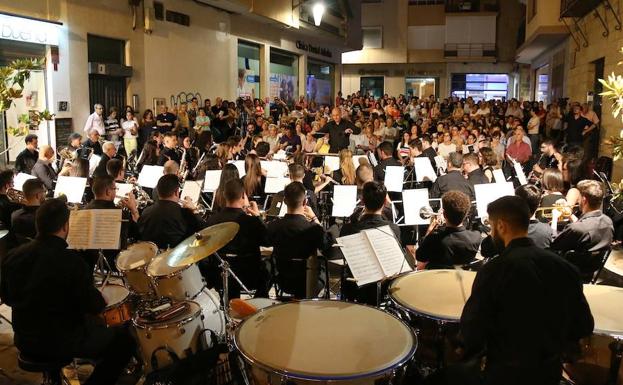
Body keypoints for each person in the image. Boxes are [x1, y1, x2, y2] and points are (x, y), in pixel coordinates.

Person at [439, 195, 594, 385]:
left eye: (492, 225)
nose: (491, 231)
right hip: (549, 374)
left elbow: (472, 331)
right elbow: (584, 325)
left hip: (503, 375)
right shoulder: (566, 268)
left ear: (502, 226)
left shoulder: (493, 271)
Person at [0, 199, 136, 385]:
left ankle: (54, 377)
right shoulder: (72, 262)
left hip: (25, 339)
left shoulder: (12, 257)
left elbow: (6, 298)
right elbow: (95, 306)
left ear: (38, 225)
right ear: (65, 226)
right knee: (124, 342)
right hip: (61, 342)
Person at [205, 179, 270, 298]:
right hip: (249, 276)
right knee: (268, 270)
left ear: (224, 195)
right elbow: (268, 241)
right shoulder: (252, 222)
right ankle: (258, 306)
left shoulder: (211, 221)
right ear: (243, 196)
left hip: (221, 276)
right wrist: (258, 217)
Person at [266, 182, 332, 298]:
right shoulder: (313, 228)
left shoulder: (274, 226)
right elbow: (326, 244)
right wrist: (314, 218)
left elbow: (266, 242)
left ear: (285, 201)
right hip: (309, 281)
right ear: (305, 202)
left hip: (284, 282)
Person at [340, 181, 401, 305]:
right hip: (384, 288)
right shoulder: (393, 228)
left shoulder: (348, 229)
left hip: (355, 288)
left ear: (362, 201)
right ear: (385, 202)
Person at [84, 175, 139, 270]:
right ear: (108, 192)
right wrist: (133, 209)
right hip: (112, 262)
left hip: (87, 260)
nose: (115, 192)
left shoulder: (83, 210)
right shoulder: (121, 214)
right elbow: (138, 233)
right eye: (115, 189)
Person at [416, 191, 481, 269]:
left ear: (444, 214)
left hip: (438, 279)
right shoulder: (476, 237)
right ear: (466, 214)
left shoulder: (433, 239)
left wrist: (431, 228)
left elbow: (419, 256)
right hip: (462, 277)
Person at [551, 179, 614, 255]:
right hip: (593, 265)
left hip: (570, 265)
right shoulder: (608, 222)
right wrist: (569, 214)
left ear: (584, 200)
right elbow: (587, 225)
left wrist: (554, 218)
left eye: (579, 197)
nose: (578, 200)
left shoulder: (576, 228)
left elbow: (553, 243)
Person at [11, 178, 45, 244]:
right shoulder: (44, 217)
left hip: (23, 251)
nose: (45, 195)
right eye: (44, 192)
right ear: (38, 195)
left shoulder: (14, 215)